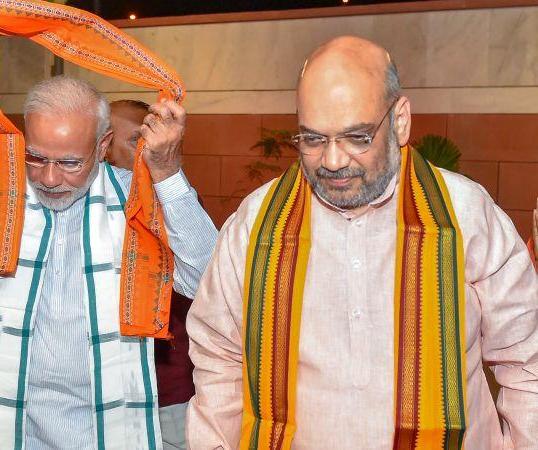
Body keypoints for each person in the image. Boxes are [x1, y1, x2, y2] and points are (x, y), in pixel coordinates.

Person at [0, 11, 217, 449]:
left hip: (102, 434)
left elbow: (210, 279)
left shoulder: (137, 198)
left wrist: (166, 174)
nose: (50, 178)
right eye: (36, 157)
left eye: (70, 162)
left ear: (103, 145)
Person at [186, 36, 538, 449]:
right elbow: (218, 355)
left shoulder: (465, 214)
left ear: (400, 120)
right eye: (313, 139)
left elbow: (526, 361)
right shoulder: (256, 224)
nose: (333, 161)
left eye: (357, 137)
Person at [107, 99, 195, 450]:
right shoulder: (90, 213)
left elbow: (212, 284)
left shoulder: (177, 208)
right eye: (131, 140)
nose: (144, 147)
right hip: (110, 397)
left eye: (146, 137)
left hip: (168, 395)